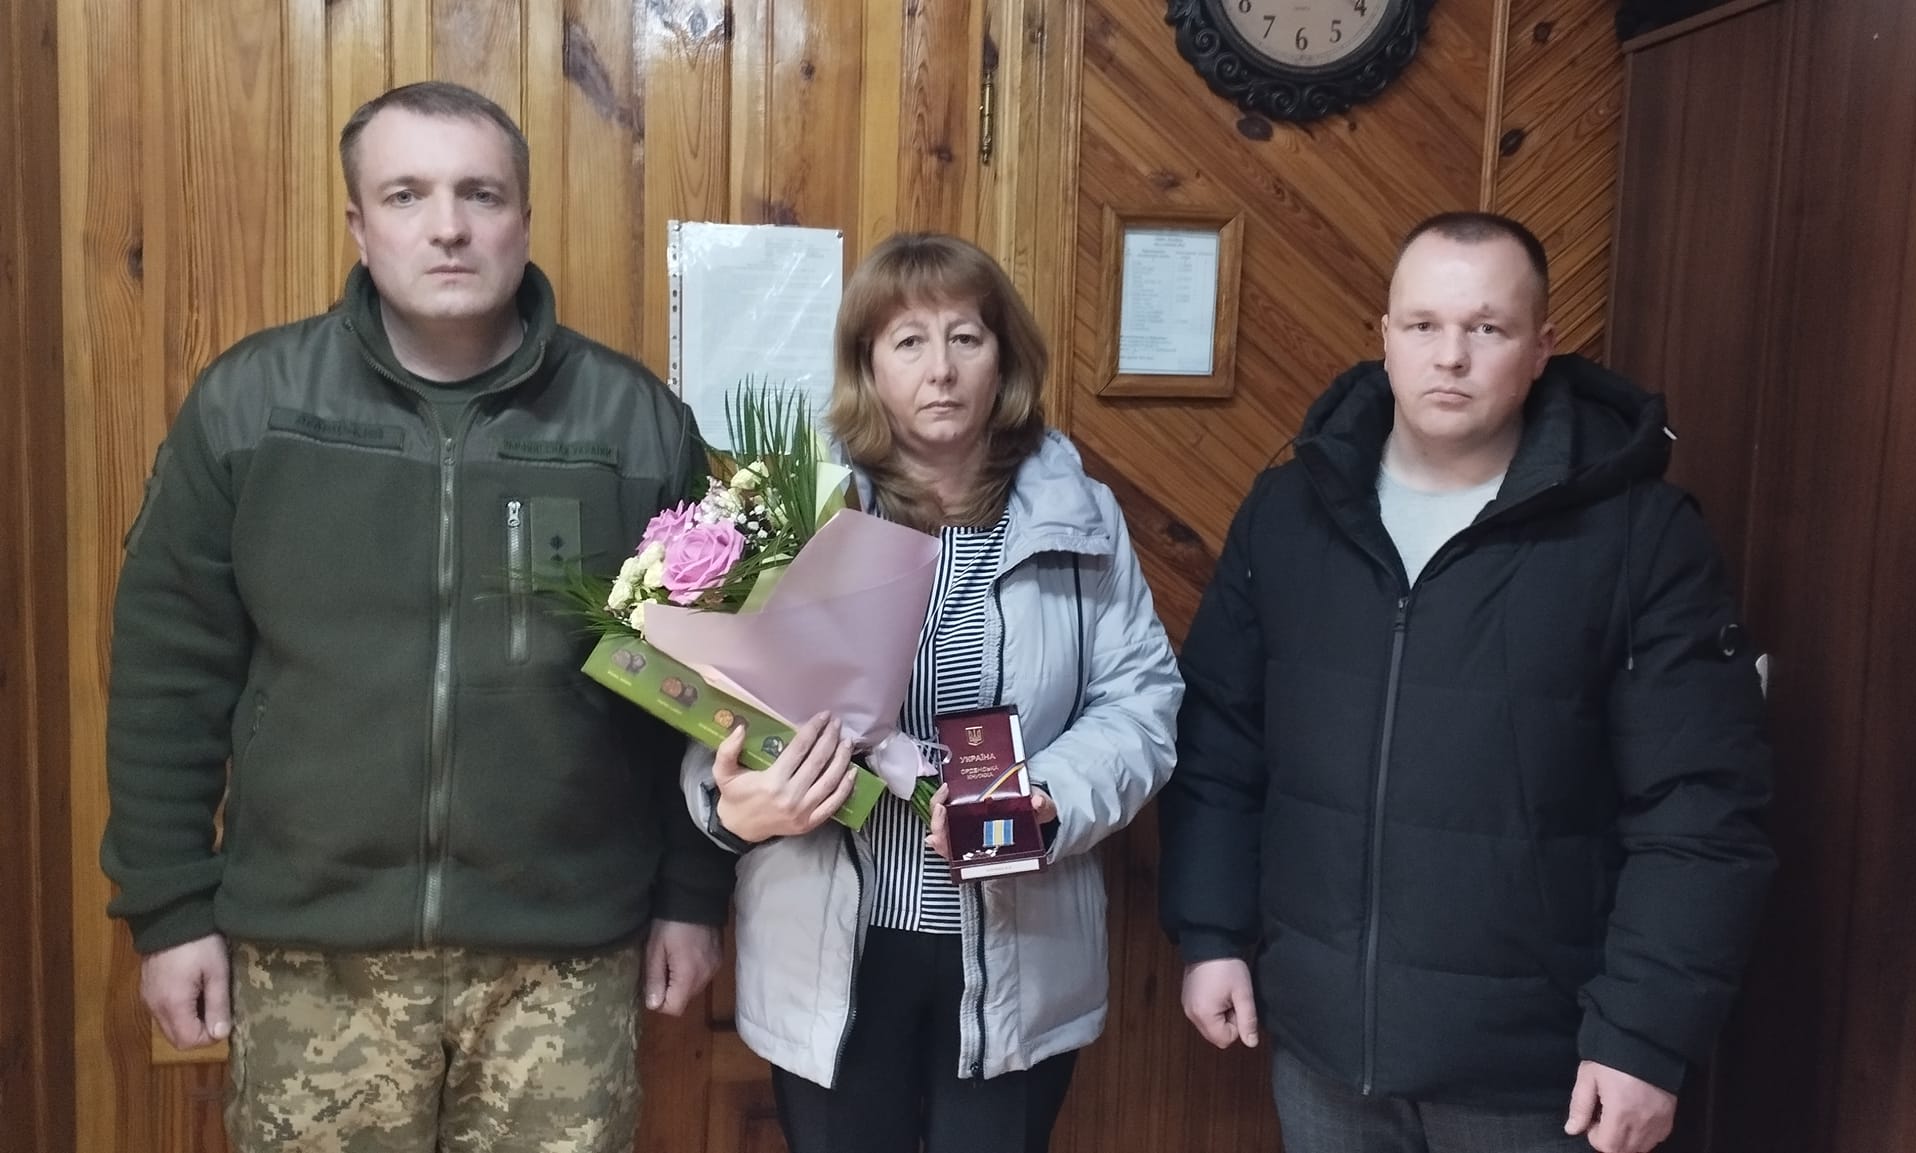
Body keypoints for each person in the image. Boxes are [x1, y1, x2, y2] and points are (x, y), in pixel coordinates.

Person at [100, 81, 731, 1152]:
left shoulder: (633, 422)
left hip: (565, 962)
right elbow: (168, 670)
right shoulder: (252, 405)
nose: (448, 226)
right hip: (312, 962)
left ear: (523, 217)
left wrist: (692, 890)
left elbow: (700, 686)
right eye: (406, 195)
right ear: (358, 224)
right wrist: (168, 911)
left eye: (480, 193)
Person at [1159, 212, 1774, 1153]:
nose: (1451, 355)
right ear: (1385, 336)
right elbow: (1220, 743)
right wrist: (1211, 931)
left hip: (1541, 1076)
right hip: (1324, 1056)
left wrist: (1647, 1035)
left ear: (1541, 346)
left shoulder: (1638, 536)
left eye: (1487, 328)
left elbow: (1701, 802)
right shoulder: (1291, 510)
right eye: (1424, 325)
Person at [680, 232, 1182, 1153]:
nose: (940, 369)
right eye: (908, 341)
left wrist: (1048, 799)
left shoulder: (1079, 516)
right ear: (867, 365)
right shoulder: (798, 511)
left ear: (1004, 357)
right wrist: (730, 803)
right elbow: (713, 699)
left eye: (965, 337)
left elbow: (1141, 702)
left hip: (1020, 954)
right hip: (832, 950)